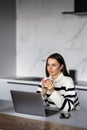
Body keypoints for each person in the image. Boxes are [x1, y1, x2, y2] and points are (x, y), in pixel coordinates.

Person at [37, 53, 80, 118]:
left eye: (53, 65)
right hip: (53, 115)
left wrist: (52, 91)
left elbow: (67, 108)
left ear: (61, 67)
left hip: (70, 117)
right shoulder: (44, 81)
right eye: (48, 65)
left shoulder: (68, 81)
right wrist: (43, 93)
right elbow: (37, 105)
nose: (50, 68)